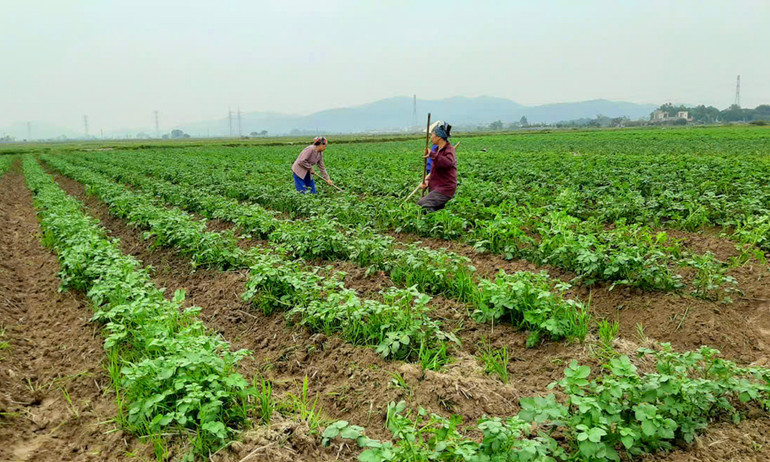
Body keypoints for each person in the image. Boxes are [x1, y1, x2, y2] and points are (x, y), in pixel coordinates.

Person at [418, 122, 456, 212]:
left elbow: (447, 163)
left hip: (445, 189)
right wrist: (427, 182)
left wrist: (432, 154)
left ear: (438, 137)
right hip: (436, 188)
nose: (431, 137)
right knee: (436, 210)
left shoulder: (449, 150)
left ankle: (430, 222)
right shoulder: (437, 149)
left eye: (432, 135)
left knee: (422, 205)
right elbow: (434, 171)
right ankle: (437, 223)